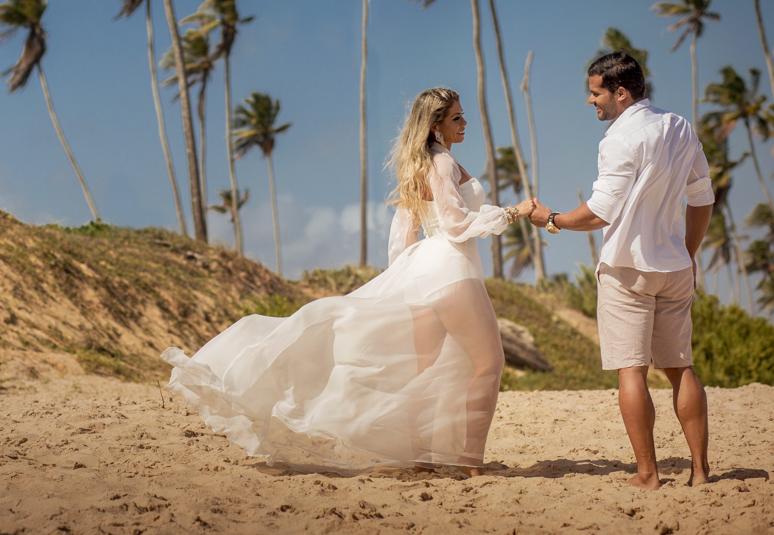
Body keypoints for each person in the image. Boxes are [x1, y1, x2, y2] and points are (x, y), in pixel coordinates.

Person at [162, 87, 533, 475]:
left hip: (425, 271)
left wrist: (403, 278)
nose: (464, 123)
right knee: (489, 361)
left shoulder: (418, 165)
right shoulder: (441, 164)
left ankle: (423, 455)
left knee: (425, 368)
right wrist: (512, 213)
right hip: (452, 268)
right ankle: (471, 462)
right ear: (435, 126)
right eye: (457, 118)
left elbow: (404, 233)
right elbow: (456, 224)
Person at [529, 51, 715, 489]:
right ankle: (701, 472)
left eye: (595, 94)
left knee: (631, 371)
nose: (590, 102)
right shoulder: (679, 127)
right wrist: (688, 254)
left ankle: (647, 475)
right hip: (673, 266)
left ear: (620, 92)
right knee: (680, 368)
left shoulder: (617, 139)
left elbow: (600, 212)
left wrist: (552, 219)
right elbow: (702, 198)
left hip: (627, 269)